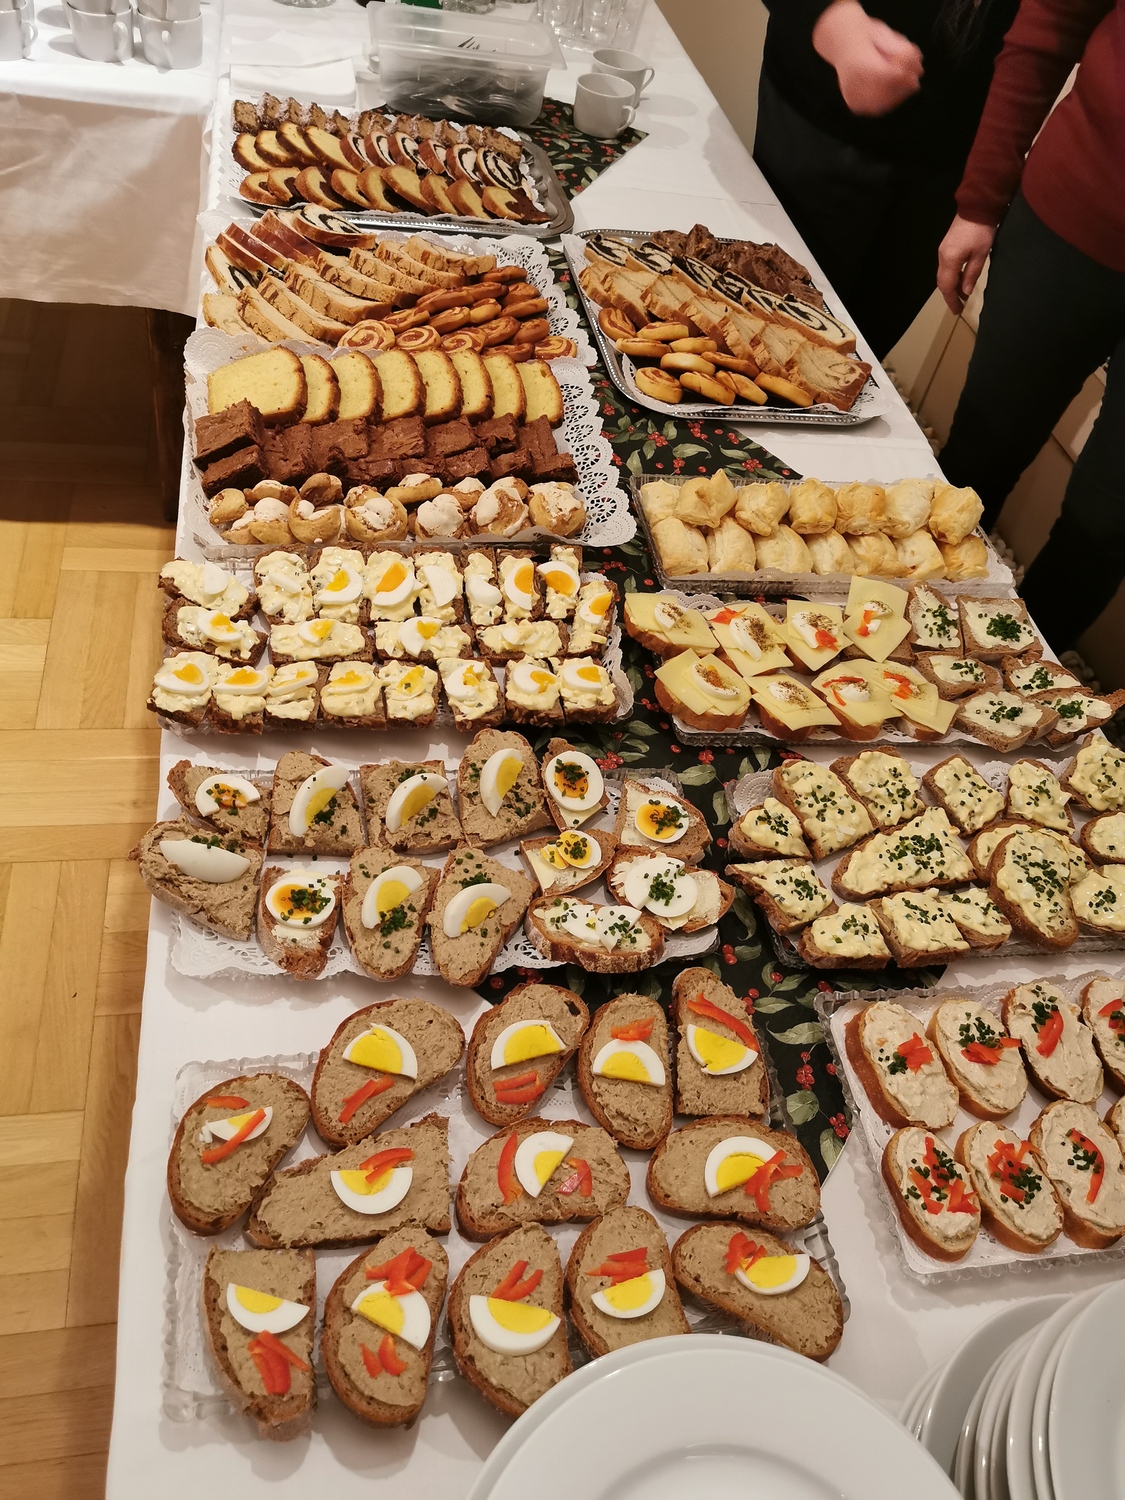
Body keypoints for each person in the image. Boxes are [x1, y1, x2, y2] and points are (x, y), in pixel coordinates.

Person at [936, 0, 1124, 653]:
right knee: (978, 454)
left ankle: (1012, 683)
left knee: (1107, 525)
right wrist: (980, 200)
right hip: (1070, 222)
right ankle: (887, 628)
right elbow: (1048, 27)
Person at [753, 0, 1019, 359]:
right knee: (757, 336)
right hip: (821, 119)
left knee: (852, 361)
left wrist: (985, 195)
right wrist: (833, 22)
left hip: (952, 164)